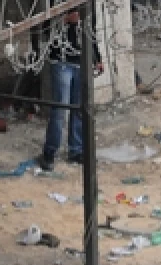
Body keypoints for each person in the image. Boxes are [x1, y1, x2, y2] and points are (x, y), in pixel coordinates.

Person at [37, 8, 103, 172]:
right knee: (60, 109)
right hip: (61, 61)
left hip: (82, 60)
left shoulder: (88, 4)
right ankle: (50, 152)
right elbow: (44, 25)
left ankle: (76, 150)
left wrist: (97, 58)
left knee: (79, 109)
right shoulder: (57, 3)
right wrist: (64, 20)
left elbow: (90, 31)